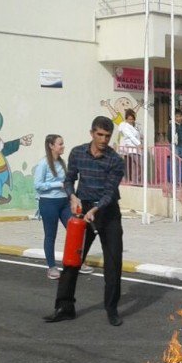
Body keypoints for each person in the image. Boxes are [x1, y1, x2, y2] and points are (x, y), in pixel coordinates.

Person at [44, 116, 125, 326]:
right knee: (72, 260)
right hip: (83, 210)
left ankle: (112, 309)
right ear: (92, 133)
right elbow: (69, 179)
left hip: (107, 212)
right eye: (100, 134)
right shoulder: (78, 153)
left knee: (113, 263)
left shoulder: (115, 160)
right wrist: (72, 196)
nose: (104, 139)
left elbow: (110, 192)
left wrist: (96, 209)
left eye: (108, 136)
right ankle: (64, 307)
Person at [34, 133, 69, 280]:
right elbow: (37, 185)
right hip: (49, 202)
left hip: (64, 202)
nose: (63, 146)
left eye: (62, 143)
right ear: (51, 146)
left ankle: (77, 262)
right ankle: (52, 267)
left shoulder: (62, 162)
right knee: (50, 235)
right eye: (60, 144)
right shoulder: (43, 164)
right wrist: (57, 184)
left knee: (76, 230)